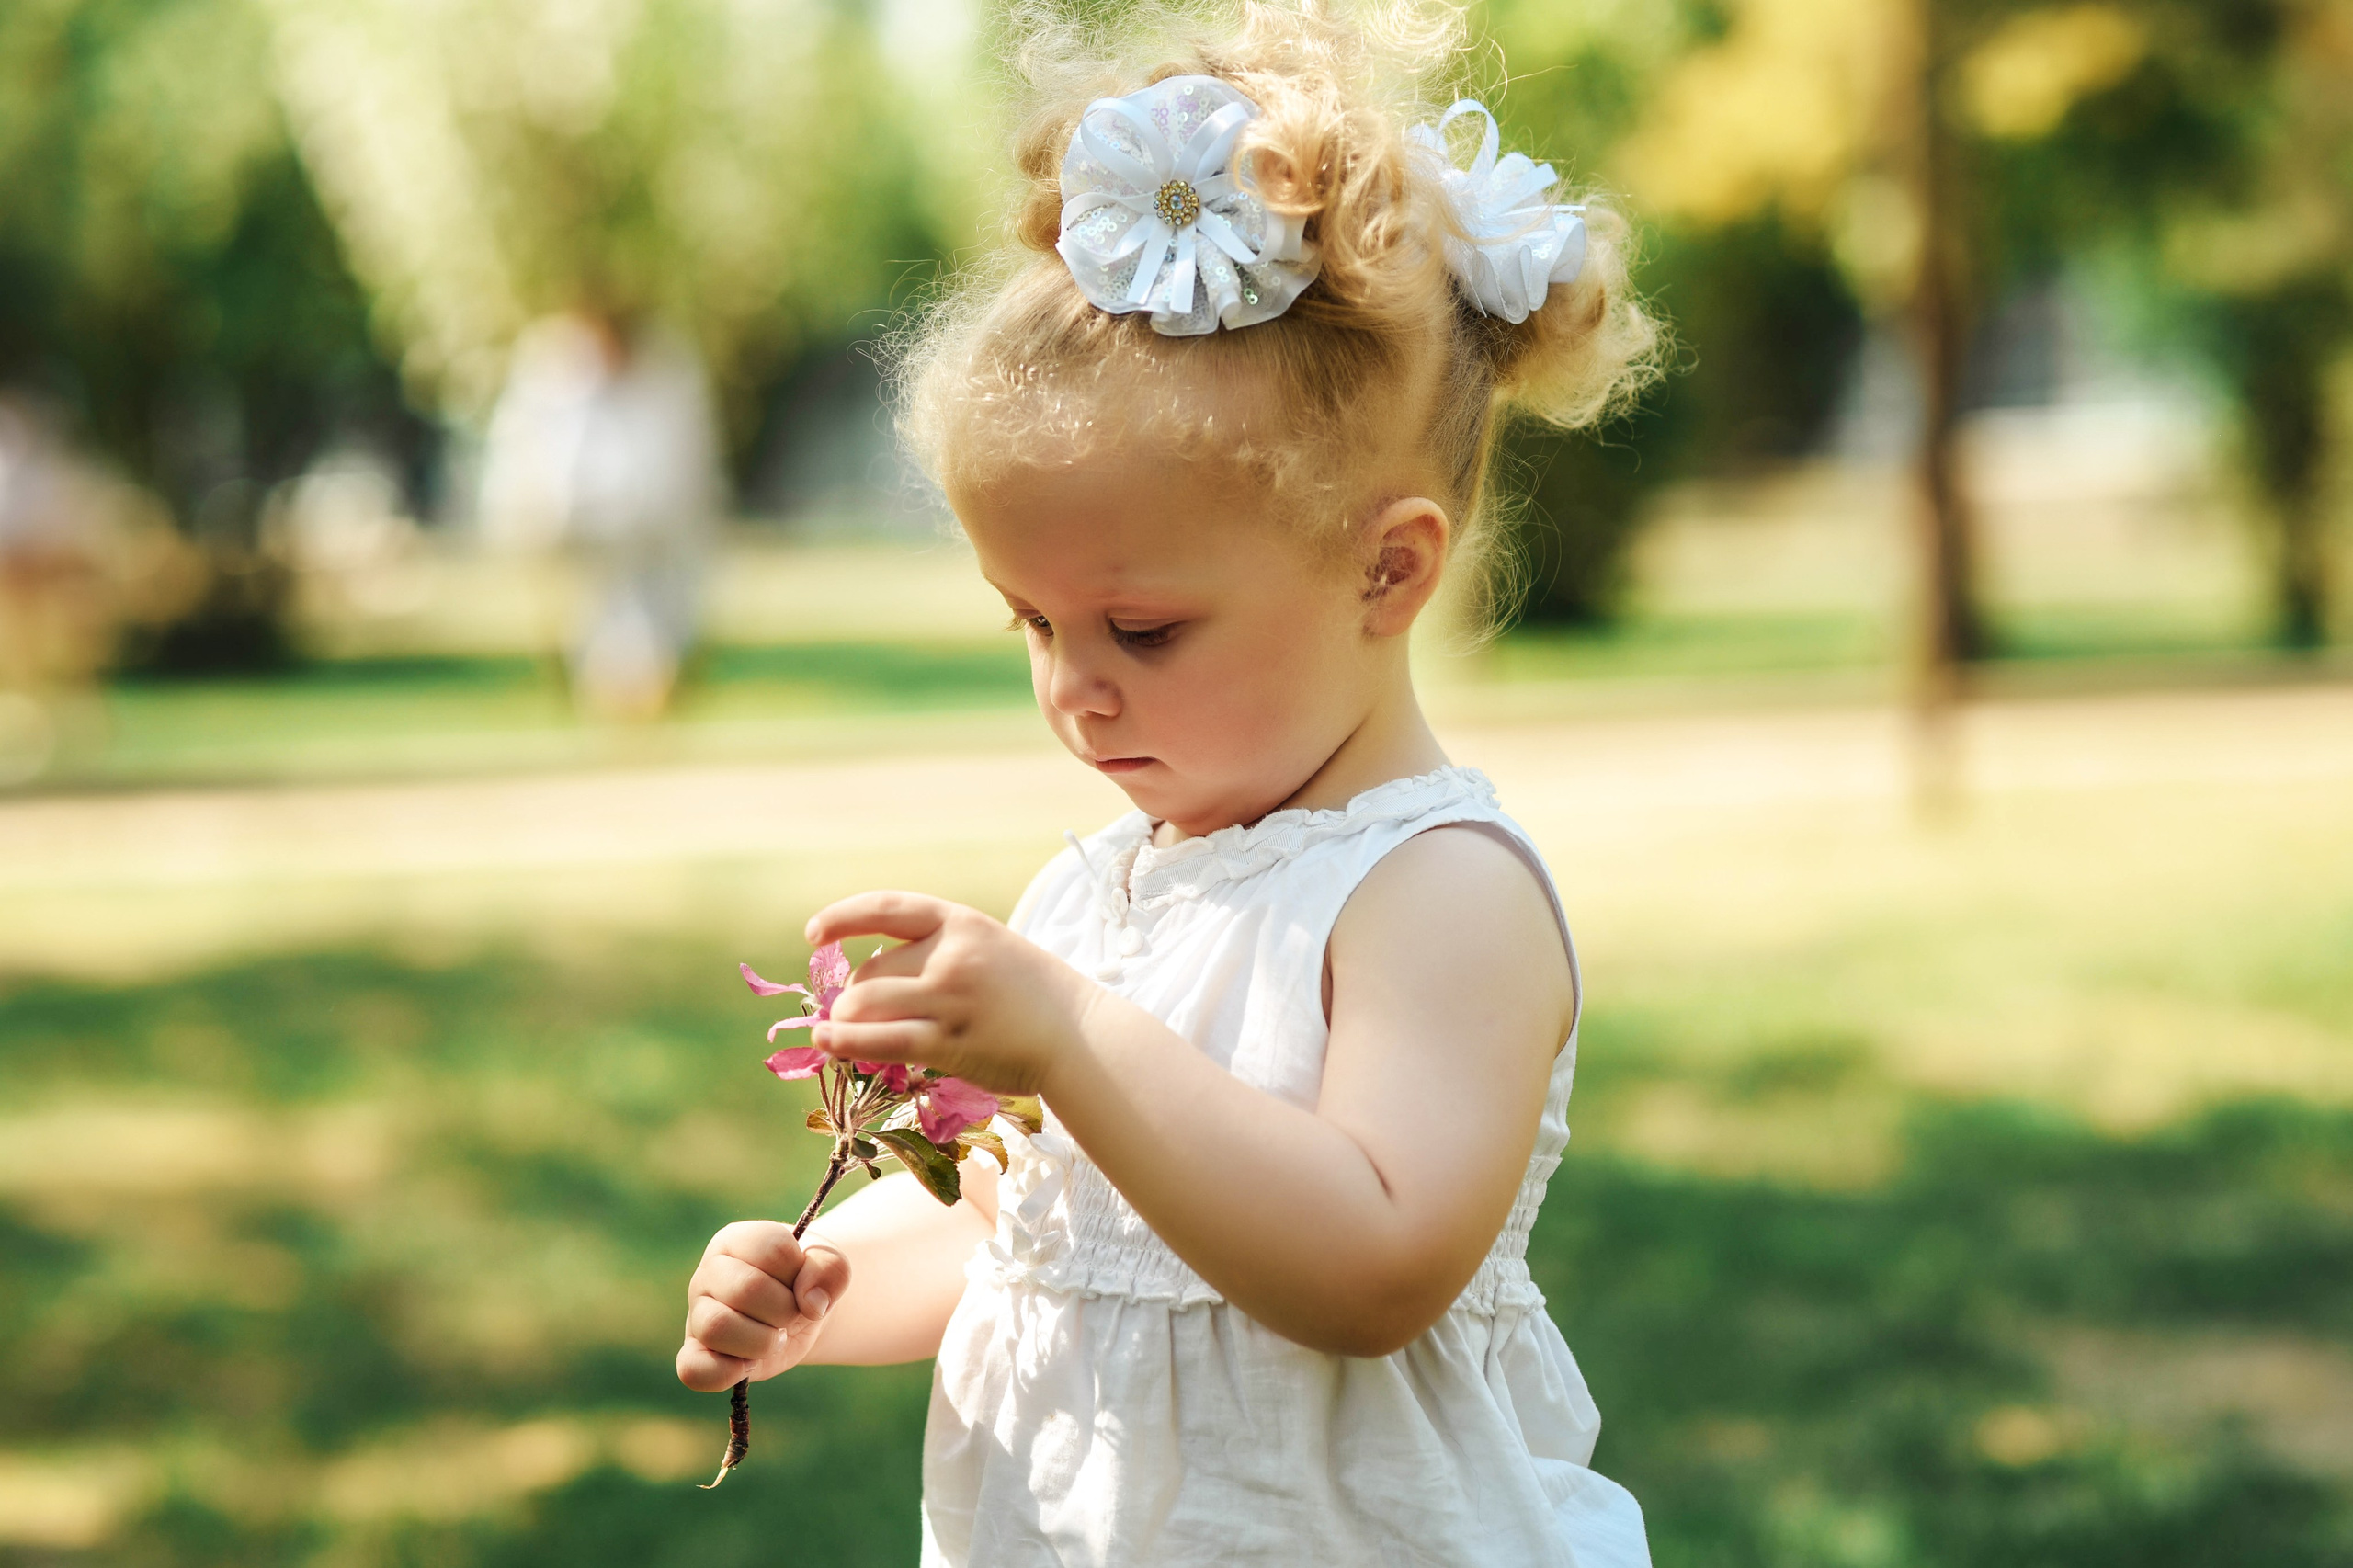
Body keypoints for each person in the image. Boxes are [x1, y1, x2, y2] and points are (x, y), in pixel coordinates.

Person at [677, 5, 1659, 1562]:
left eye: (1140, 627)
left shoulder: (1438, 892)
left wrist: (1067, 1033)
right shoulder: (1095, 892)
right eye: (1033, 622)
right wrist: (824, 1288)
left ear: (1385, 569)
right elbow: (1024, 1225)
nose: (1074, 684)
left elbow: (1375, 1263)